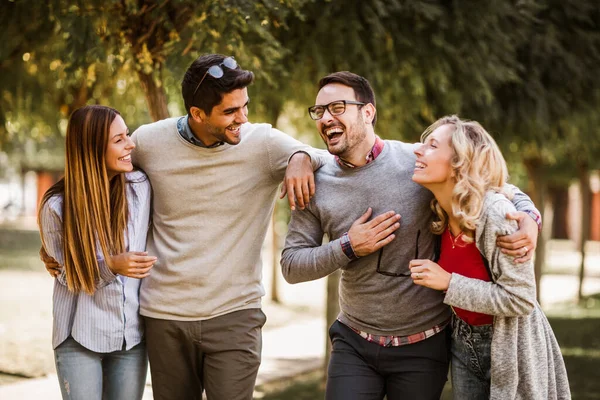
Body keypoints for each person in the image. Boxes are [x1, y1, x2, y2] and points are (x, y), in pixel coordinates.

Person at [280, 72, 541, 400]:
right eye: (319, 112)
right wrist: (348, 246)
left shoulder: (418, 162)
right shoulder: (313, 183)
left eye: (337, 107)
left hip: (424, 346)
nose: (326, 118)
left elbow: (490, 184)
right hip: (354, 342)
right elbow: (291, 265)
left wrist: (530, 218)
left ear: (368, 112)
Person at [126, 54, 329, 400]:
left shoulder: (262, 143)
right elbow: (101, 175)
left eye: (245, 106)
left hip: (236, 314)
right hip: (164, 317)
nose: (243, 118)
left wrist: (300, 158)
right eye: (231, 112)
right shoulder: (148, 142)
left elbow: (324, 156)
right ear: (197, 114)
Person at [408, 115, 570, 399]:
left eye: (432, 145)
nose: (417, 150)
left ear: (460, 162)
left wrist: (448, 283)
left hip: (510, 344)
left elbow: (521, 298)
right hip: (463, 340)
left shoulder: (495, 214)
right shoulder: (440, 212)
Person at [38, 105, 156, 400]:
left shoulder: (139, 188)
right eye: (119, 140)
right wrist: (112, 265)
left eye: (127, 135)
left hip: (131, 338)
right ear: (91, 150)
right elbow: (68, 276)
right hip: (78, 335)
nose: (130, 144)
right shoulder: (56, 207)